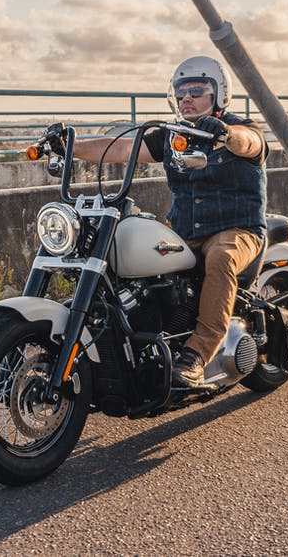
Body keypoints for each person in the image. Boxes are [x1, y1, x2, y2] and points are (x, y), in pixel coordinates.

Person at [59, 55, 268, 388]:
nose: (187, 97)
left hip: (235, 229)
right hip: (184, 232)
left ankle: (197, 355)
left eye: (197, 90)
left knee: (223, 258)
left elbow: (250, 143)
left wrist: (226, 133)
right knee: (133, 254)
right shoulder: (172, 136)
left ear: (218, 93)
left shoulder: (239, 130)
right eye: (181, 91)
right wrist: (69, 147)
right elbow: (122, 150)